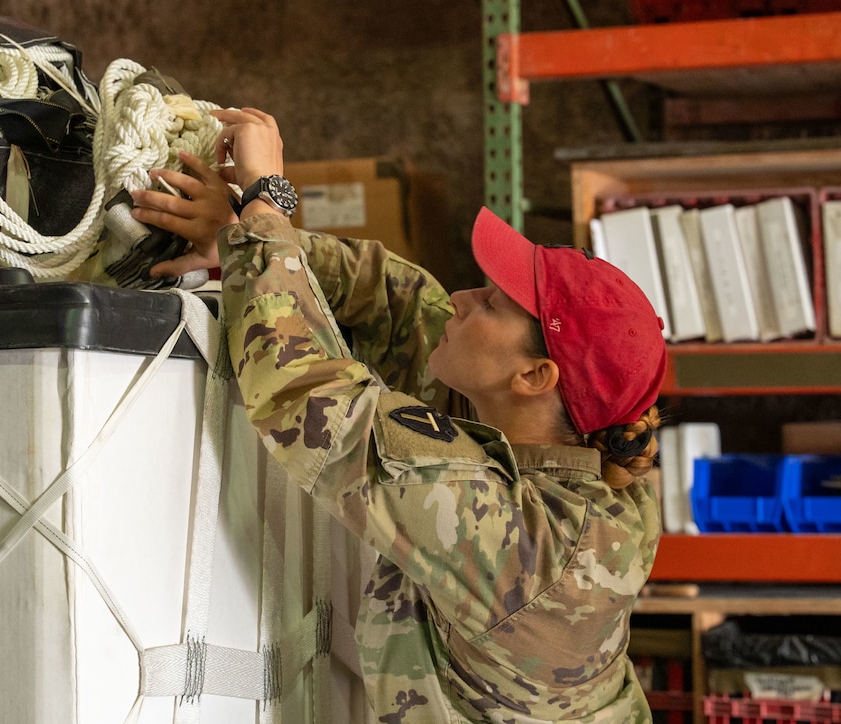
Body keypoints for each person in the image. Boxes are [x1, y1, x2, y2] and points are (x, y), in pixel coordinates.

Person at [130, 107, 667, 723]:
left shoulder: (526, 546)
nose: (464, 297)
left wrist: (266, 203)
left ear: (534, 378)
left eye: (490, 301)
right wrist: (246, 237)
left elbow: (308, 398)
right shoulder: (571, 453)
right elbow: (410, 306)